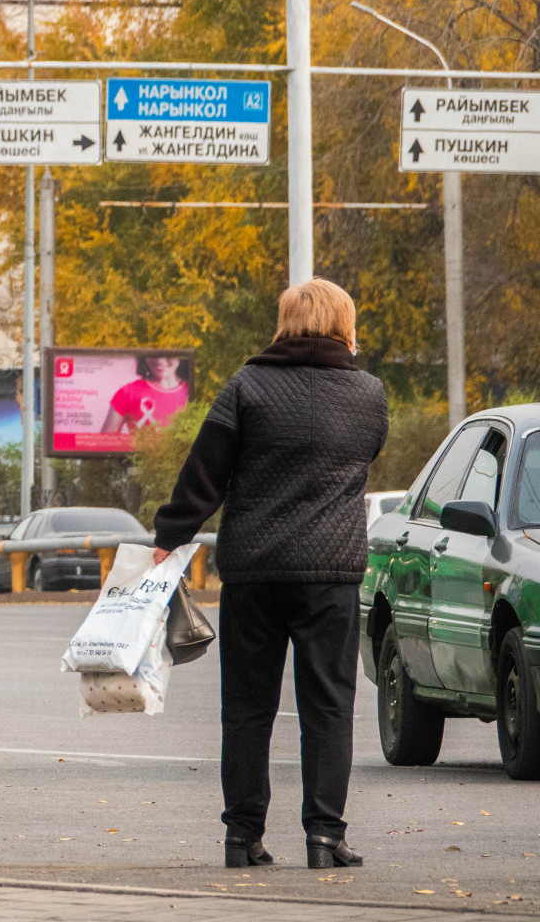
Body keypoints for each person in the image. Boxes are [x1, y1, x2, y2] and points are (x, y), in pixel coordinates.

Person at [151, 279, 388, 870]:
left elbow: (204, 473)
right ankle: (325, 837)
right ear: (343, 324)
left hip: (255, 571)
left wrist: (170, 537)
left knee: (248, 708)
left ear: (284, 322)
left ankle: (243, 837)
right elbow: (365, 454)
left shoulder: (247, 386)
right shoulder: (369, 395)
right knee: (329, 706)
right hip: (330, 573)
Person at [100, 355, 190, 434]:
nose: (160, 360)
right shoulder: (127, 393)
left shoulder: (195, 390)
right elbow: (104, 445)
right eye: (153, 352)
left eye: (169, 353)